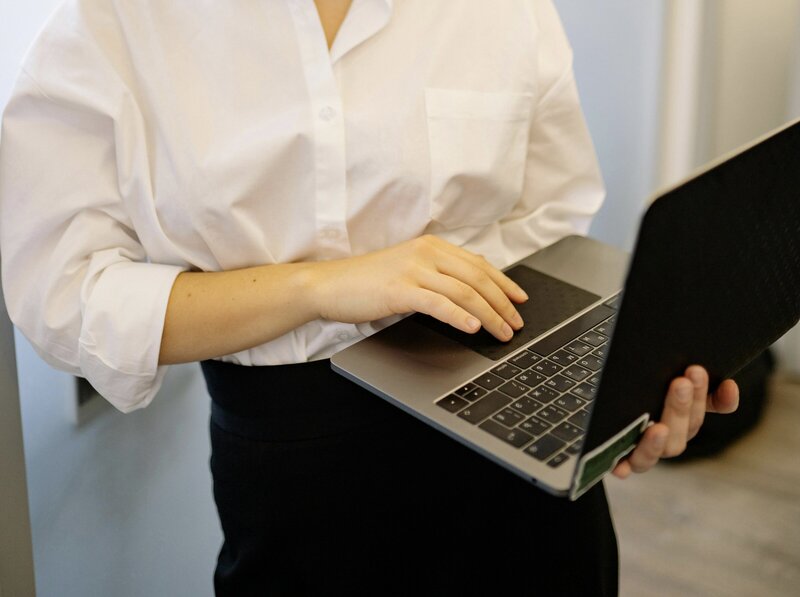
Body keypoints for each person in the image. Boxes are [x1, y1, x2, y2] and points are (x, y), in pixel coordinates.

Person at [0, 0, 739, 594]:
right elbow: (63, 294)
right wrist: (318, 286)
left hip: (519, 478)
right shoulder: (116, 22)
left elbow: (553, 224)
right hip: (300, 484)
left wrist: (611, 401)